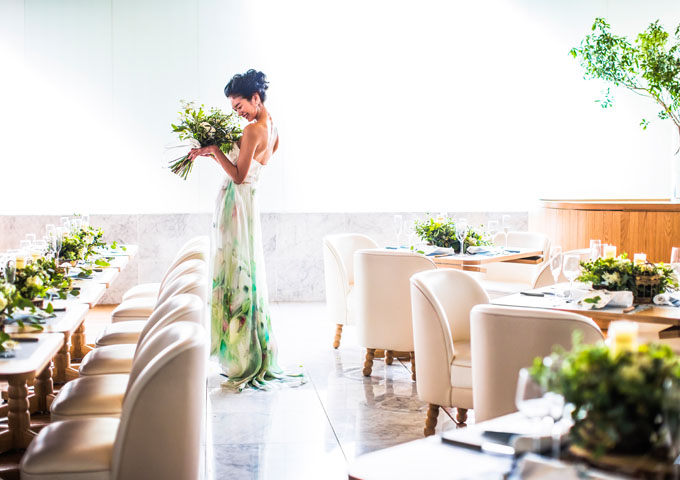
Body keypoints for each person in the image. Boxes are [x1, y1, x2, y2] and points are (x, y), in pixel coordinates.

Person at [187, 69, 282, 390]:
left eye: (239, 105)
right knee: (246, 271)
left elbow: (238, 176)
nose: (238, 112)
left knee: (233, 272)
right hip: (249, 204)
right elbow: (249, 168)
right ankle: (248, 349)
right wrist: (212, 151)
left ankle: (239, 355)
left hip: (236, 204)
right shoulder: (273, 127)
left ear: (256, 98)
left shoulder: (253, 129)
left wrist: (215, 150)